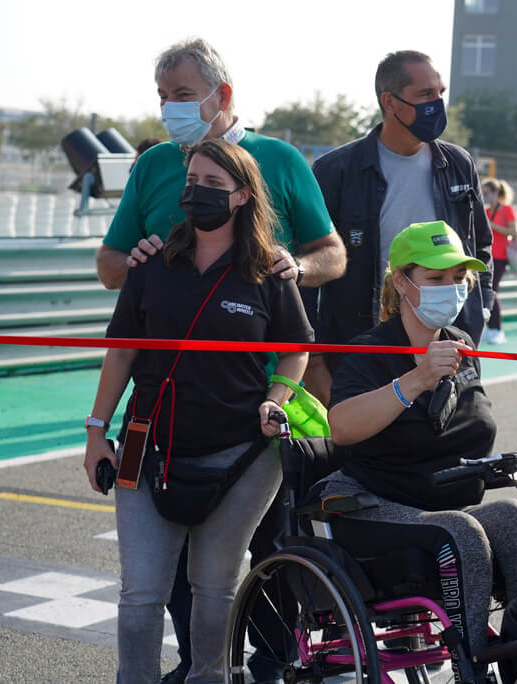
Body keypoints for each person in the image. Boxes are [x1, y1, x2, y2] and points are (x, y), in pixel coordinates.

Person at [92, 38, 345, 684]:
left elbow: (331, 256)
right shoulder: (153, 167)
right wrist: (140, 258)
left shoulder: (281, 162)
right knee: (161, 584)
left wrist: (295, 268)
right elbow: (110, 270)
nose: (169, 109)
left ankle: (263, 663)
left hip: (250, 425)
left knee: (242, 567)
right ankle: (197, 668)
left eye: (180, 96)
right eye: (162, 98)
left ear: (220, 95)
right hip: (161, 422)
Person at [317, 220, 517, 683]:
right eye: (435, 279)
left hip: (444, 501)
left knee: (515, 519)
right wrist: (414, 381)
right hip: (373, 505)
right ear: (401, 280)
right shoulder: (369, 351)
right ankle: (470, 669)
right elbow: (342, 428)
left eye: (458, 279)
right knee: (462, 532)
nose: (450, 289)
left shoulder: (462, 346)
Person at [311, 49, 493, 405]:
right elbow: (310, 269)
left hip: (445, 346)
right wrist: (315, 362)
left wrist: (473, 321)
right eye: (425, 95)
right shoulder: (336, 171)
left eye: (440, 93)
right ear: (389, 102)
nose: (437, 104)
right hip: (358, 349)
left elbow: (479, 251)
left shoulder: (458, 164)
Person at [481, 178, 517, 344]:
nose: (484, 195)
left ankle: (497, 329)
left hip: (500, 257)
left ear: (496, 192)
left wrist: (492, 225)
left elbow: (514, 232)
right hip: (486, 256)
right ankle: (490, 328)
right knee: (485, 292)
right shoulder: (487, 210)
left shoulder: (507, 210)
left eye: (486, 192)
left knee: (492, 292)